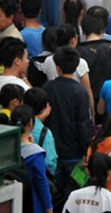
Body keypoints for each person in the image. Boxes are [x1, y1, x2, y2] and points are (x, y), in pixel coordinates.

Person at [44, 46, 93, 199]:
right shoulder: (79, 91)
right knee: (74, 195)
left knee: (55, 194)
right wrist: (87, 150)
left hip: (52, 151)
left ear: (57, 68)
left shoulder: (47, 88)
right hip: (75, 153)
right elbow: (83, 124)